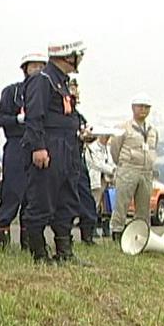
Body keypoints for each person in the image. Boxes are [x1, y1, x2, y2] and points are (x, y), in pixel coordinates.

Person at [21, 39, 91, 266]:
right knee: (42, 198)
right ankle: (39, 253)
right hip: (50, 147)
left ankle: (65, 251)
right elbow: (34, 116)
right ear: (68, 56)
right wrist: (38, 147)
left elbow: (67, 115)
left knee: (67, 198)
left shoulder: (61, 82)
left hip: (68, 147)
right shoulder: (42, 81)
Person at [0, 52, 47, 250]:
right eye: (34, 66)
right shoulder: (12, 92)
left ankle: (28, 239)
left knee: (33, 194)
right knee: (12, 190)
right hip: (16, 143)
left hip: (38, 145)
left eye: (42, 67)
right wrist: (16, 120)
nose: (38, 71)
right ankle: (3, 234)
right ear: (25, 69)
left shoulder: (47, 93)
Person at [109, 92, 159, 244]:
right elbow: (115, 149)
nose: (143, 110)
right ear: (133, 108)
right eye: (140, 106)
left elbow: (153, 148)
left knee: (144, 207)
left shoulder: (152, 130)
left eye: (146, 107)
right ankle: (117, 232)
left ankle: (141, 235)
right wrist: (123, 164)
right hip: (128, 168)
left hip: (146, 171)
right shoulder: (123, 128)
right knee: (122, 203)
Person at [69, 78, 99, 246]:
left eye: (76, 90)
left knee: (86, 197)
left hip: (78, 160)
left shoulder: (79, 116)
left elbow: (87, 133)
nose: (75, 93)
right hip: (60, 159)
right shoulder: (55, 114)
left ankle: (88, 235)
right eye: (72, 89)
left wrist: (89, 137)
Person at [85, 134, 117, 237]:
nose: (107, 138)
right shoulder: (92, 148)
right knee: (94, 204)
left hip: (106, 180)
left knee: (106, 205)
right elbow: (97, 164)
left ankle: (105, 227)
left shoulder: (107, 149)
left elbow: (111, 162)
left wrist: (113, 169)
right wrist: (110, 169)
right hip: (96, 179)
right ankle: (91, 228)